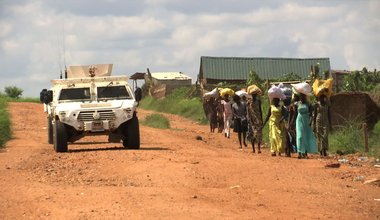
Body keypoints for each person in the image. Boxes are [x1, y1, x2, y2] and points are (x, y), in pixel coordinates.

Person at [295, 93, 318, 159]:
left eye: (303, 96)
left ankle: (304, 153)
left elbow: (311, 114)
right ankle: (299, 152)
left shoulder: (308, 104)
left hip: (306, 121)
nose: (302, 97)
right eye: (300, 96)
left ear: (305, 96)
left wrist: (310, 121)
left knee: (305, 136)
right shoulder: (297, 104)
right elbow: (295, 114)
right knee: (299, 136)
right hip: (299, 120)